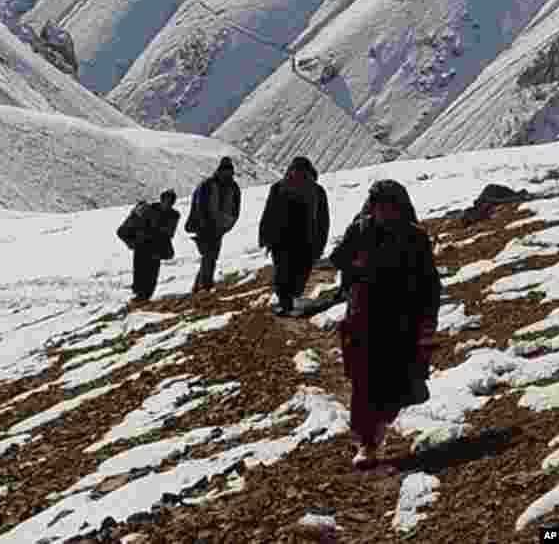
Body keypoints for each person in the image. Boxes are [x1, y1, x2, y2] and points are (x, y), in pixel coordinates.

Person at [337, 179, 441, 468]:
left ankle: (378, 430)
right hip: (363, 319)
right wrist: (356, 265)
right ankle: (367, 443)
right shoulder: (360, 231)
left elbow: (429, 284)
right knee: (363, 383)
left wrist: (427, 322)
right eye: (378, 205)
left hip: (401, 322)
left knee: (394, 383)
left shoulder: (415, 238)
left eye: (388, 206)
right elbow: (339, 258)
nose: (382, 211)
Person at [258, 156, 330, 315]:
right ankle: (290, 301)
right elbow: (323, 221)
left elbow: (269, 214)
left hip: (282, 240)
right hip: (305, 240)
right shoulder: (317, 191)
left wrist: (264, 236)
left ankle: (286, 303)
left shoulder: (279, 187)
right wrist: (320, 244)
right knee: (299, 272)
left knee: (283, 272)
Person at [186, 157, 241, 292]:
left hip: (219, 227)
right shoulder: (208, 185)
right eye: (225, 170)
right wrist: (202, 224)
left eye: (229, 171)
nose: (227, 173)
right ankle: (205, 285)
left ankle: (199, 286)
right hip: (205, 226)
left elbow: (235, 209)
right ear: (220, 170)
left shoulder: (232, 187)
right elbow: (199, 206)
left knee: (210, 255)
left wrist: (227, 225)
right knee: (210, 255)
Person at [122, 190, 180, 302]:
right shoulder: (150, 209)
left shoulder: (173, 215)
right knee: (140, 270)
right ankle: (139, 294)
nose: (167, 204)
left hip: (156, 247)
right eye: (166, 201)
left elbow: (169, 232)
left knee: (152, 272)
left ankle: (145, 295)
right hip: (143, 245)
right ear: (162, 199)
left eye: (170, 202)